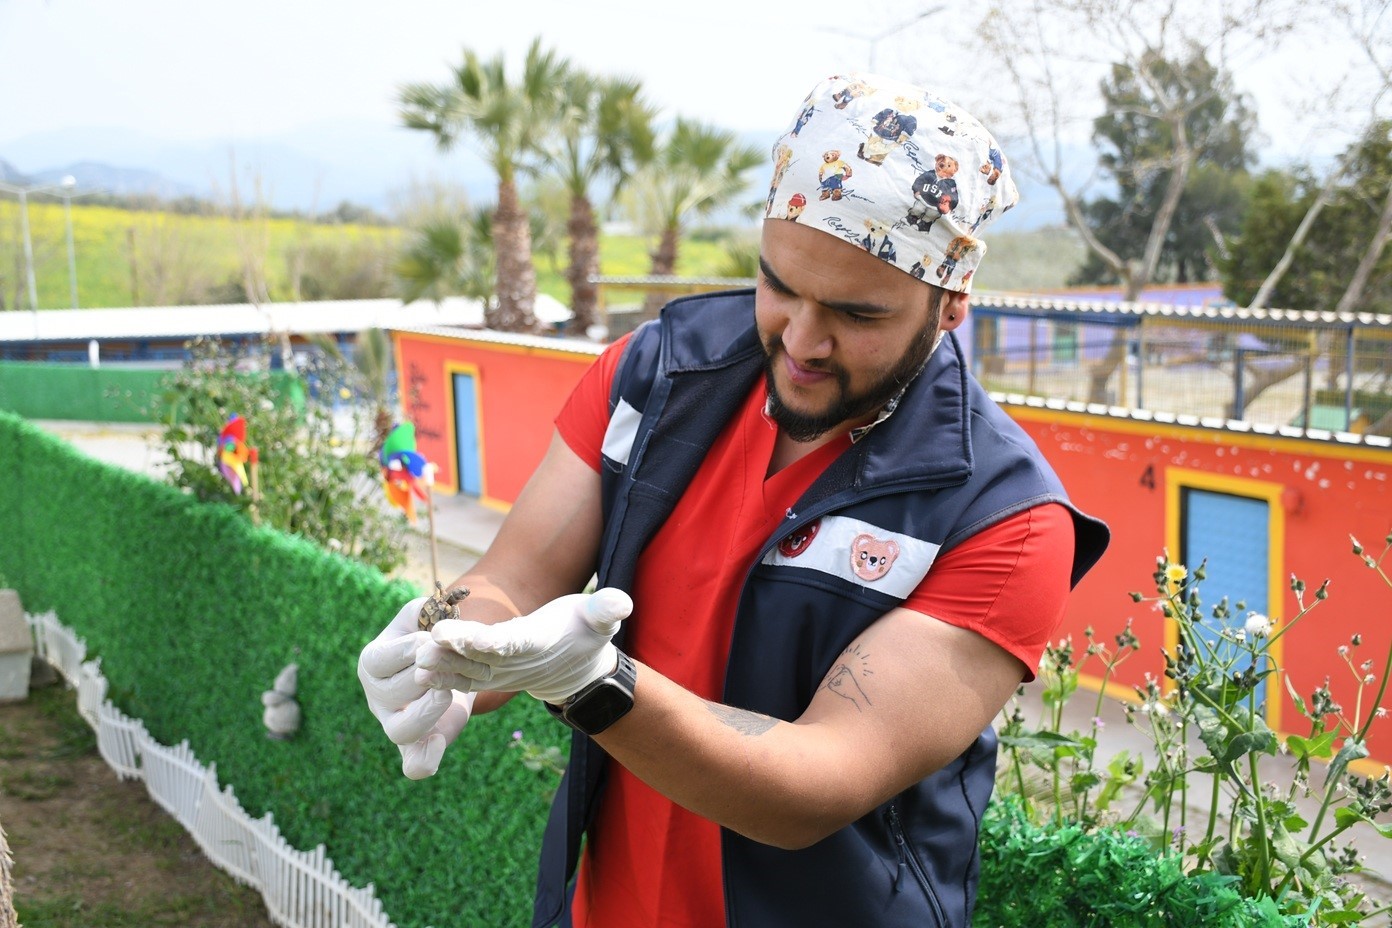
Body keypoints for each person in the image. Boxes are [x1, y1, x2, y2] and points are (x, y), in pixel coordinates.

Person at [359, 71, 1109, 928]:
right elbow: (519, 572)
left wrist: (594, 683)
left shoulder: (1001, 517)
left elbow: (817, 783)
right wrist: (452, 651)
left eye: (856, 316)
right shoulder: (653, 376)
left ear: (949, 306)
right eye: (780, 284)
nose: (801, 341)